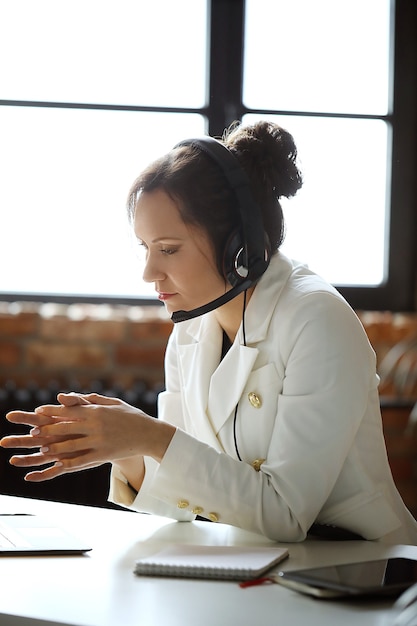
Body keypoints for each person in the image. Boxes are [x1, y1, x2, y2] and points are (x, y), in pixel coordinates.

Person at [1, 120, 417, 544]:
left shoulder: (317, 318)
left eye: (168, 249)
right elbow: (181, 503)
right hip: (261, 565)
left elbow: (285, 514)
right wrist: (125, 448)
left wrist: (150, 435)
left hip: (361, 569)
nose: (148, 272)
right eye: (146, 249)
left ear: (238, 244)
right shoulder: (193, 325)